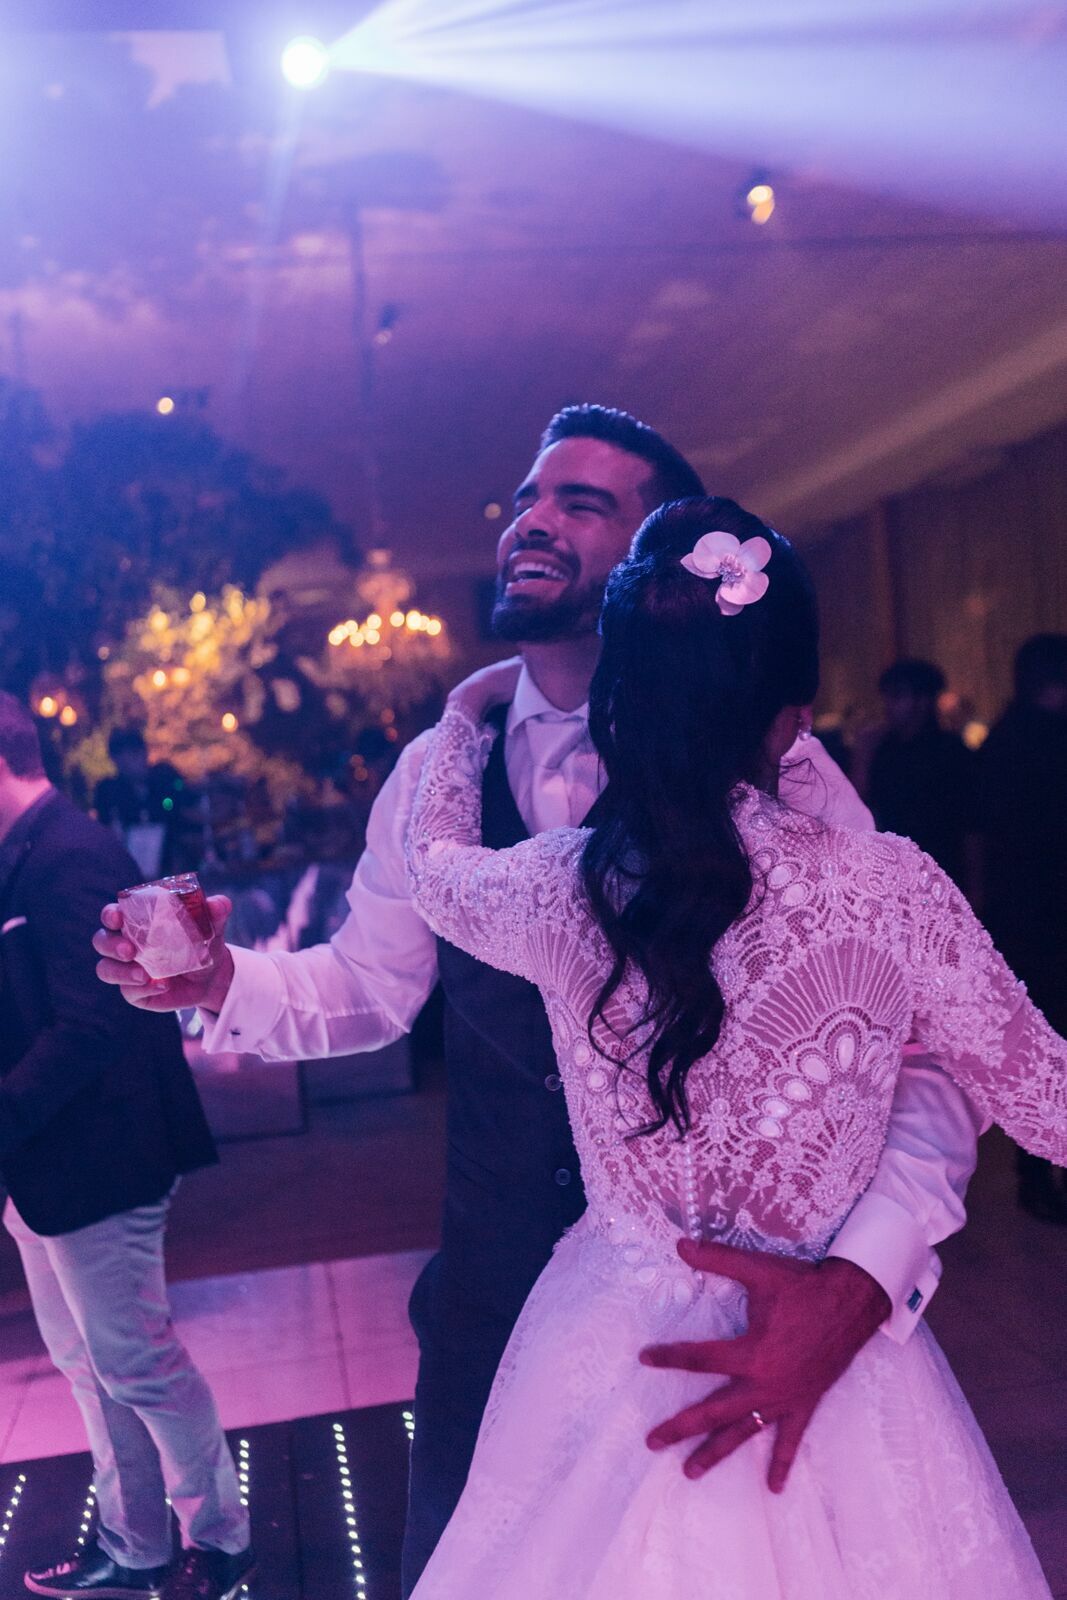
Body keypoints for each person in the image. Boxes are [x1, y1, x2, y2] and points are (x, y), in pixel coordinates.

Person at [94, 407, 981, 1595]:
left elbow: (919, 1055)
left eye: (582, 503)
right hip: (500, 1317)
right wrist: (218, 980)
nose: (533, 519)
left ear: (658, 562)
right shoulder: (436, 769)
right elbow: (371, 984)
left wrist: (860, 1278)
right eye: (527, 497)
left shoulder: (785, 775)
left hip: (745, 1327)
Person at [402, 499, 1063, 1598]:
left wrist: (464, 720)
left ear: (611, 707)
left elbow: (431, 864)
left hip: (605, 1346)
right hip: (838, 1372)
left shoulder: (553, 890)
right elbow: (1049, 1102)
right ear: (793, 714)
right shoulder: (885, 886)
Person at [0, 693, 253, 1600]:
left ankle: (221, 1540)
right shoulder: (35, 852)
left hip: (99, 1151)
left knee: (137, 1359)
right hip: (54, 1160)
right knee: (92, 1363)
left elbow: (97, 1026)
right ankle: (136, 1540)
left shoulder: (65, 857)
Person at [977, 634, 1067, 1224]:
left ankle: (1036, 1173)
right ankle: (1043, 1172)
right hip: (1048, 909)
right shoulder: (1041, 740)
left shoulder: (1002, 741)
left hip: (1022, 911)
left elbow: (980, 834)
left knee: (1038, 1044)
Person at [865, 658, 976, 885]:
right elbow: (862, 806)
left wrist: (976, 884)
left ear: (923, 701)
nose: (887, 705)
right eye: (886, 696)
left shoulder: (951, 752)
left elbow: (973, 823)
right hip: (894, 871)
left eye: (896, 696)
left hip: (944, 869)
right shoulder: (883, 749)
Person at [94, 728, 194, 879]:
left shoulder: (163, 779)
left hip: (170, 867)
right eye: (122, 758)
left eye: (135, 754)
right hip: (128, 870)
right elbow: (107, 829)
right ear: (115, 760)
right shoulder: (108, 790)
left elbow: (183, 811)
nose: (131, 763)